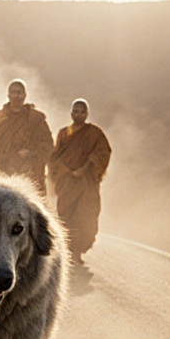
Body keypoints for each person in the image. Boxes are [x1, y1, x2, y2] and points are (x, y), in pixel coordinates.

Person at [47, 99, 112, 265]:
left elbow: (104, 152)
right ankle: (67, 251)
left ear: (87, 114)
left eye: (82, 112)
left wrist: (86, 166)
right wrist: (66, 171)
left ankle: (77, 252)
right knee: (65, 217)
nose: (79, 115)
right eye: (75, 112)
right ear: (71, 114)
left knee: (86, 218)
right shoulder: (63, 133)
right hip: (67, 183)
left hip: (86, 183)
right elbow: (54, 157)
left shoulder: (94, 134)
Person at [0, 79, 53, 194]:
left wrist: (31, 154)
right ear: (8, 95)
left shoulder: (36, 119)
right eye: (13, 92)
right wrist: (4, 159)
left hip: (28, 174)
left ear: (25, 95)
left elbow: (47, 145)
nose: (16, 95)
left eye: (19, 92)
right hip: (1, 173)